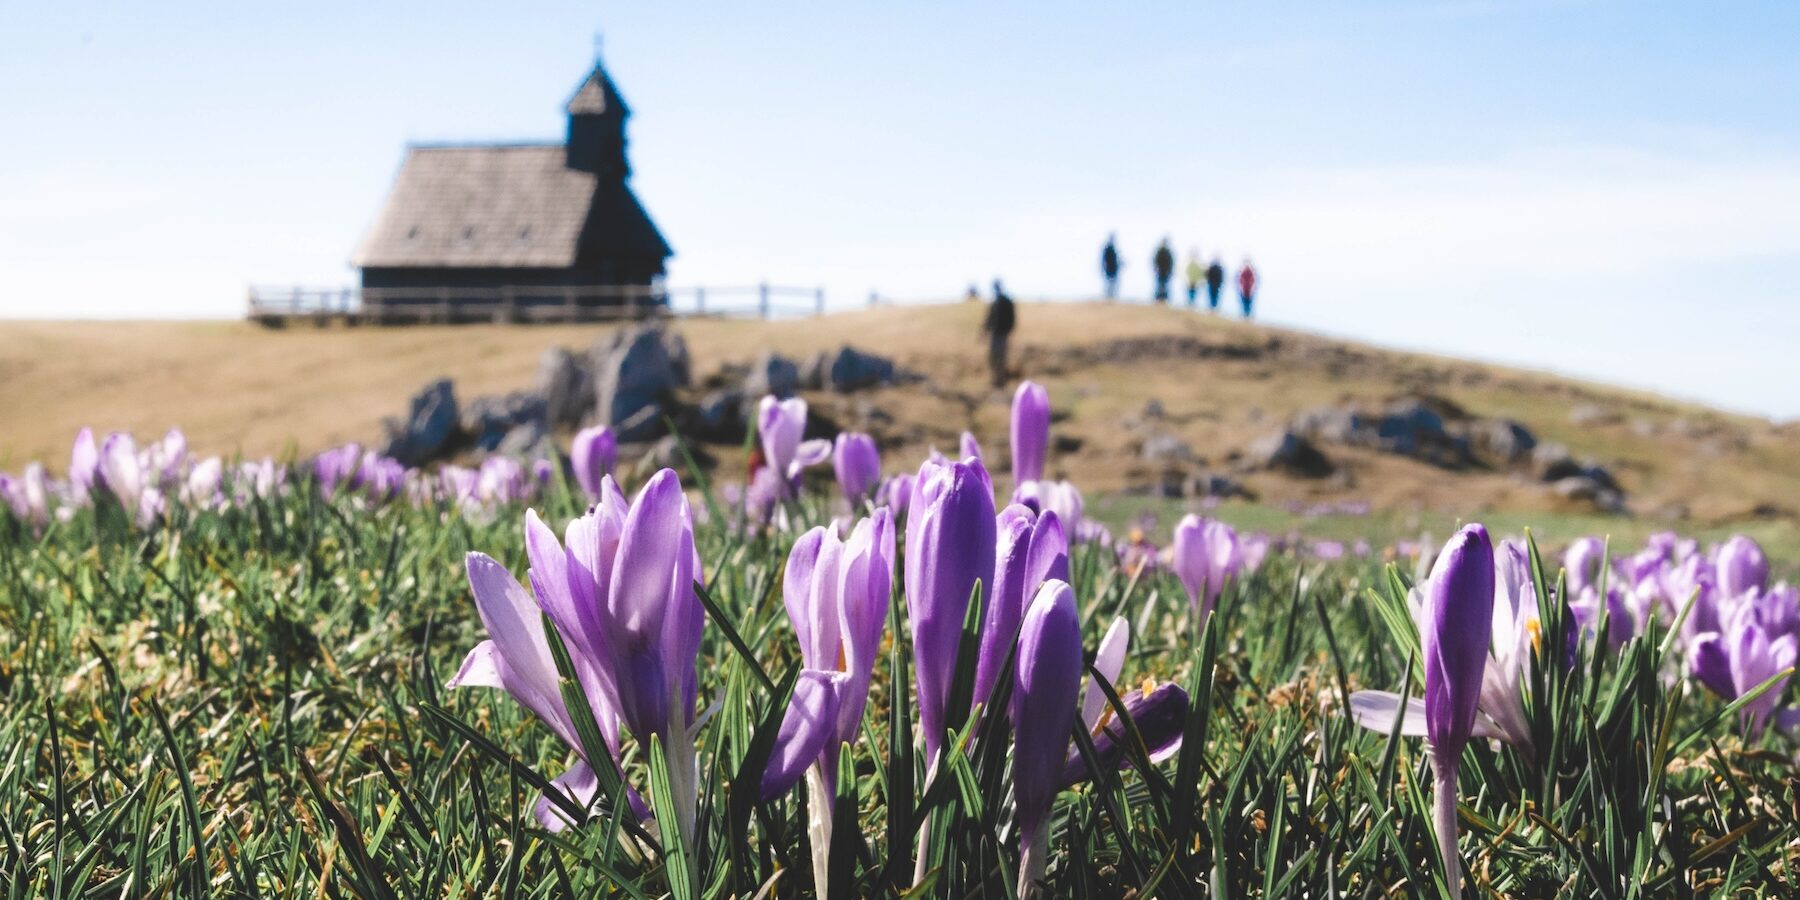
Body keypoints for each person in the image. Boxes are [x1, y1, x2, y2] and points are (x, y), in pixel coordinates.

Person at [982, 279, 1016, 387]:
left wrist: (1008, 330)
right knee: (993, 357)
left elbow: (1012, 318)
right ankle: (995, 379)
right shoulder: (994, 302)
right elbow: (989, 318)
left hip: (1002, 335)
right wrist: (984, 332)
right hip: (994, 334)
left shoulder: (1006, 302)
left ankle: (1001, 381)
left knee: (1001, 357)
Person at [1152, 238, 1175, 303]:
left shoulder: (1168, 252)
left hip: (1166, 272)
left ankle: (1164, 299)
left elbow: (1171, 263)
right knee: (1159, 285)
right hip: (1160, 272)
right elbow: (1155, 261)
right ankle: (1158, 298)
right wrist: (1156, 268)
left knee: (1165, 286)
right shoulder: (1159, 251)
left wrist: (1170, 271)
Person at [1100, 235, 1120, 300]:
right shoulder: (1109, 249)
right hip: (1110, 269)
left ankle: (1110, 297)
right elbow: (1105, 260)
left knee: (1112, 284)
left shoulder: (1112, 249)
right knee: (1110, 284)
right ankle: (1109, 297)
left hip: (1112, 269)